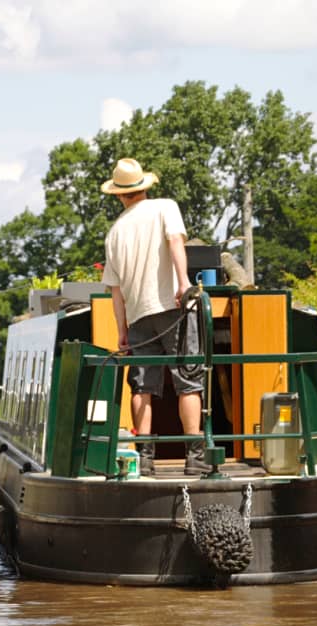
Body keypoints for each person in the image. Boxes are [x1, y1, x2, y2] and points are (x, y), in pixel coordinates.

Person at [100, 158, 206, 477]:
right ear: (143, 187)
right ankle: (195, 456)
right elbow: (175, 242)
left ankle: (144, 458)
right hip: (173, 307)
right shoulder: (165, 207)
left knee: (141, 386)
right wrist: (184, 282)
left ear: (119, 194)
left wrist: (122, 330)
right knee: (188, 381)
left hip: (137, 318)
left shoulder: (114, 233)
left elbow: (115, 291)